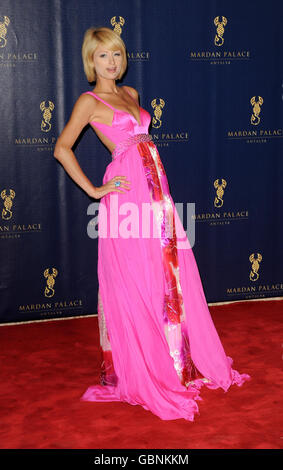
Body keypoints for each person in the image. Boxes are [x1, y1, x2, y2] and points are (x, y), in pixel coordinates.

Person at [53, 26, 250, 421]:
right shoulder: (88, 101)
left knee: (165, 273)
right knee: (134, 278)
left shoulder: (132, 95)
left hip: (157, 193)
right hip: (126, 198)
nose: (112, 62)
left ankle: (174, 357)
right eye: (103, 56)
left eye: (117, 55)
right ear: (91, 61)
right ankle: (141, 366)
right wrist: (95, 189)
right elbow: (62, 148)